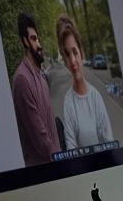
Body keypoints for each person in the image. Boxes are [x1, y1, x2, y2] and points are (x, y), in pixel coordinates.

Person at [56, 15, 117, 150]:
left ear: (81, 53)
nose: (73, 61)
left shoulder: (95, 97)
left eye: (75, 52)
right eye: (67, 55)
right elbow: (71, 146)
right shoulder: (68, 102)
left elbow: (108, 141)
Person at [11, 12, 59, 167]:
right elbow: (41, 140)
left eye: (38, 39)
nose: (39, 45)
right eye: (33, 39)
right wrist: (60, 158)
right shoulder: (22, 80)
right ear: (25, 41)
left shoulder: (41, 77)